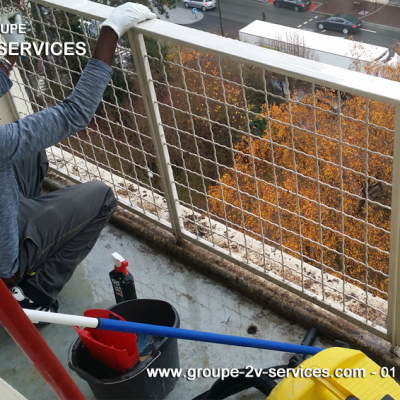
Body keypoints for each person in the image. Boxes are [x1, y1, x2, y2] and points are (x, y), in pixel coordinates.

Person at [0, 3, 156, 313]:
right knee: (101, 197)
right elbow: (76, 112)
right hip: (4, 256)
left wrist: (12, 37)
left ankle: (30, 228)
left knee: (32, 155)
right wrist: (111, 30)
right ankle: (32, 290)